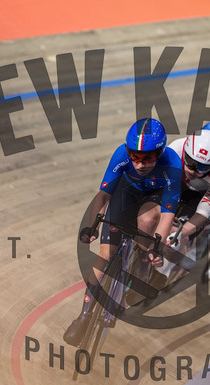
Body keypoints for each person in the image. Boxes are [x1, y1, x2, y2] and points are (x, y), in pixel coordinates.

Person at [63, 118, 182, 346]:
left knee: (148, 220)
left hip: (153, 199)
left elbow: (168, 213)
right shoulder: (120, 155)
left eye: (147, 159)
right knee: (104, 256)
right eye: (135, 158)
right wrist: (92, 227)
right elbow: (103, 195)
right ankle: (83, 315)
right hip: (126, 194)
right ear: (128, 152)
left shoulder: (172, 164)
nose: (140, 165)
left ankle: (142, 261)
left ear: (159, 153)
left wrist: (156, 247)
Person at [152, 129, 210, 280]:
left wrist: (180, 234)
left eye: (203, 168)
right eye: (191, 163)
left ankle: (165, 270)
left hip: (198, 196)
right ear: (185, 153)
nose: (194, 171)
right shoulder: (176, 149)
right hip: (175, 184)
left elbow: (202, 213)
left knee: (176, 237)